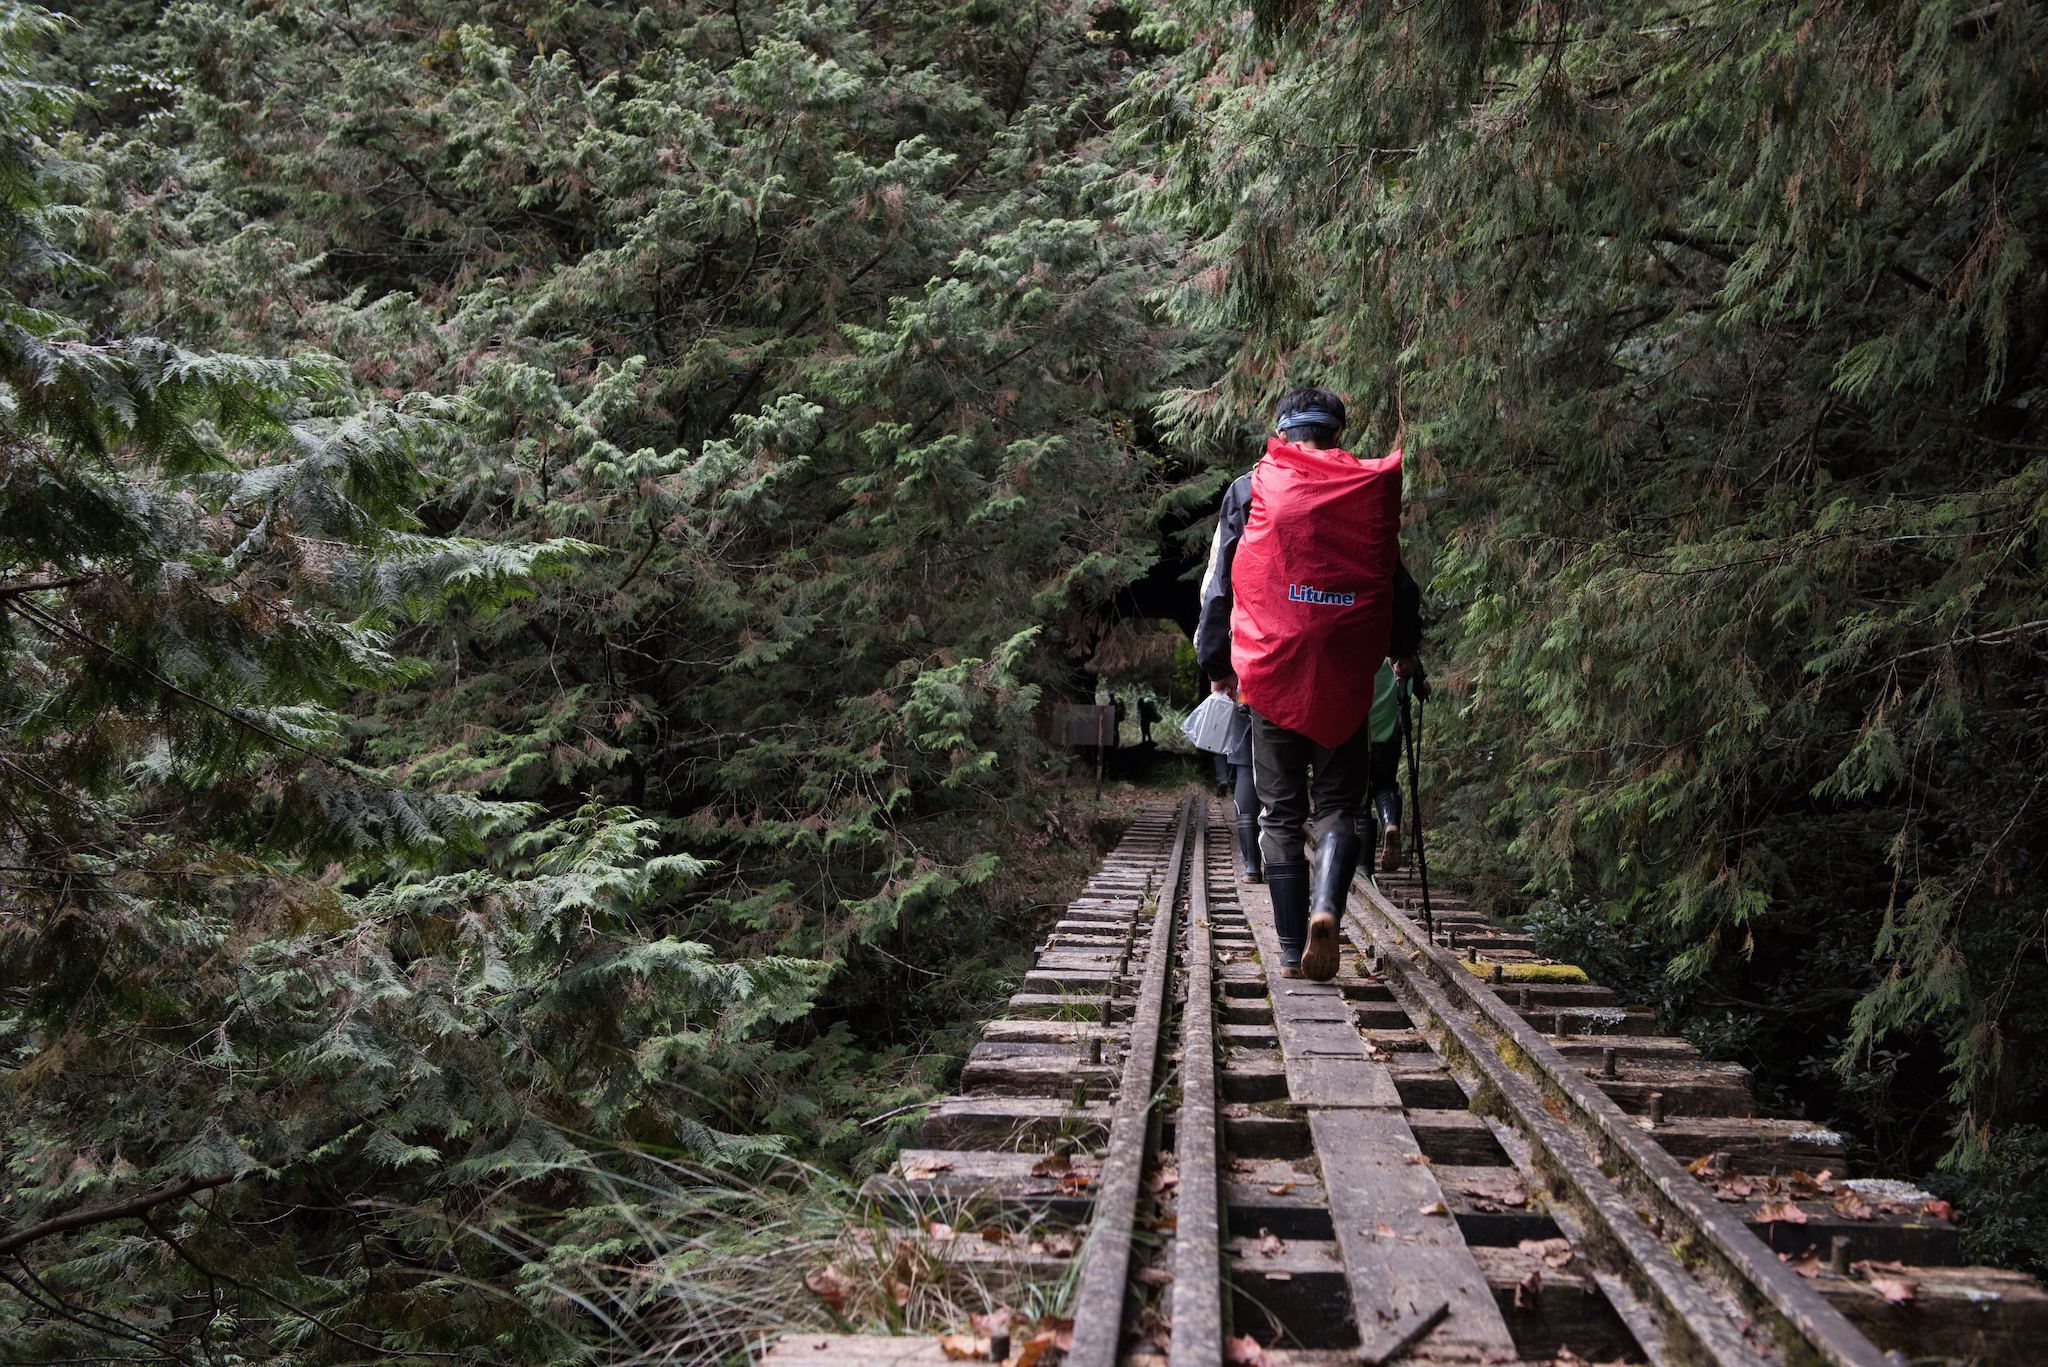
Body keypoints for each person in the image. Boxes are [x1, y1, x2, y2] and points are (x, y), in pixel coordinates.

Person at [1193, 386, 1421, 979]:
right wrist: (1404, 653)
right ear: (1337, 431)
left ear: (1283, 429)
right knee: (1340, 806)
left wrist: (1217, 664)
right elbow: (1393, 582)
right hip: (1345, 678)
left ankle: (1293, 949)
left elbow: (1224, 583)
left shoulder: (1251, 488)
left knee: (1282, 813)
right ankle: (1327, 908)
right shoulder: (1362, 490)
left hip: (1272, 674)